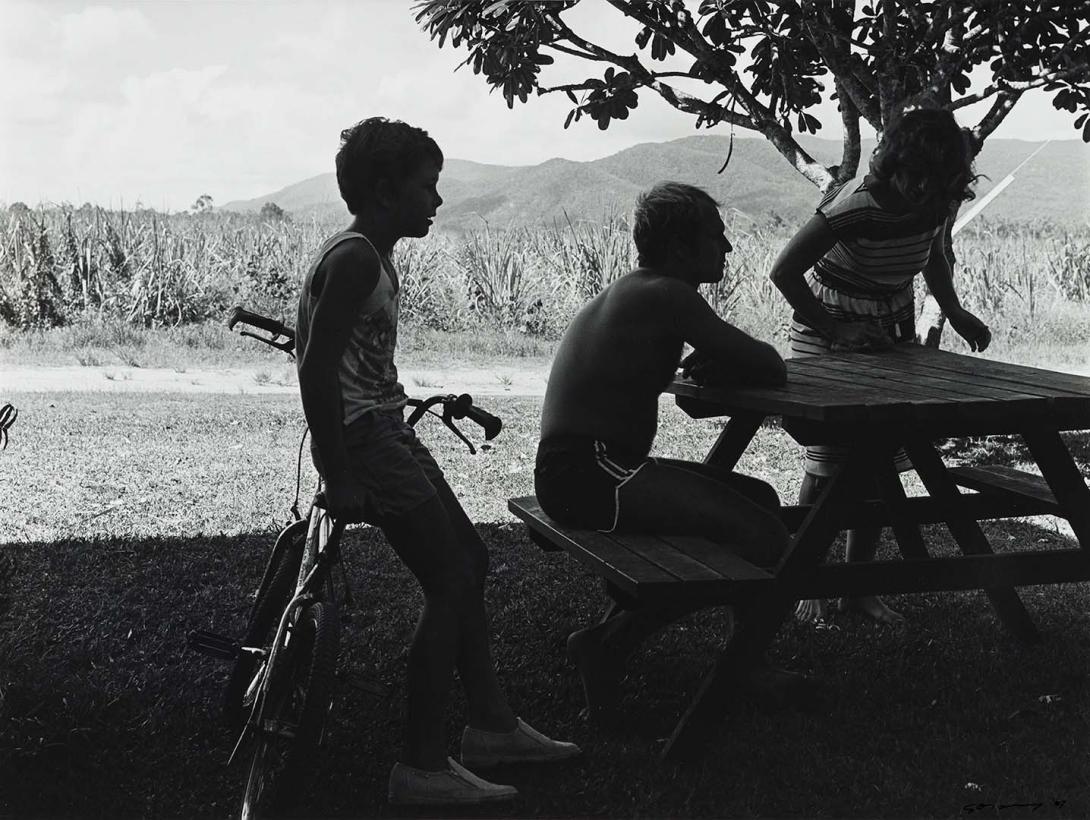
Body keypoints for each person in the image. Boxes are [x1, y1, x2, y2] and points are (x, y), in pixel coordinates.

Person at [296, 116, 579, 807]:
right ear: (388, 190)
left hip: (386, 431)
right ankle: (420, 764)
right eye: (429, 186)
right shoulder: (358, 256)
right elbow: (314, 367)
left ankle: (490, 725)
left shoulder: (368, 254)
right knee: (452, 577)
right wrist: (338, 474)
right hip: (369, 440)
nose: (438, 201)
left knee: (470, 564)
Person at [535, 181, 792, 718]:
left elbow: (691, 397)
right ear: (680, 248)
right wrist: (732, 360)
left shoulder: (641, 290)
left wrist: (718, 361)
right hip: (590, 472)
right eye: (716, 237)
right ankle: (612, 647)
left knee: (762, 499)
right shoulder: (669, 294)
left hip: (589, 467)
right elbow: (769, 364)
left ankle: (745, 663)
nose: (727, 249)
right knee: (762, 534)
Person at [769, 107, 992, 625]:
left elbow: (933, 255)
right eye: (914, 176)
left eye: (935, 182)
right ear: (894, 163)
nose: (921, 190)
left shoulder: (936, 202)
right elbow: (784, 272)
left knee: (878, 459)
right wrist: (836, 330)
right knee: (828, 459)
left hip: (891, 322)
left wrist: (953, 309)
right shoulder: (856, 205)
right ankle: (808, 583)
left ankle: (859, 590)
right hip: (828, 326)